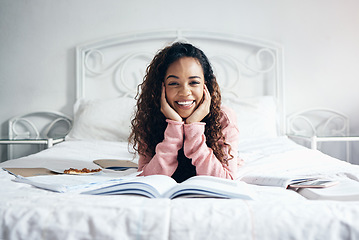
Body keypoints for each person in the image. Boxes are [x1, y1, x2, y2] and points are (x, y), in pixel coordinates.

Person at [129, 42, 240, 183]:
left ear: (206, 85)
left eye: (194, 82)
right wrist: (174, 129)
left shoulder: (223, 118)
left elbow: (226, 181)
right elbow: (146, 179)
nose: (184, 92)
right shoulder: (150, 118)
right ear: (160, 87)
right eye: (174, 83)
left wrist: (193, 128)